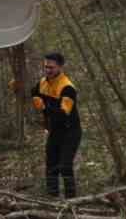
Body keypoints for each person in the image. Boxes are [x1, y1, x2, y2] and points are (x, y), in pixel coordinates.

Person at [14, 51, 81, 198]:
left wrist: (44, 107)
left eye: (51, 67)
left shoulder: (67, 88)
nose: (48, 70)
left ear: (60, 67)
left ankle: (71, 201)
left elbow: (63, 113)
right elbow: (33, 92)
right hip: (54, 130)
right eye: (46, 67)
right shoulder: (43, 82)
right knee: (51, 165)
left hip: (70, 131)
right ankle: (52, 198)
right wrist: (18, 88)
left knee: (65, 165)